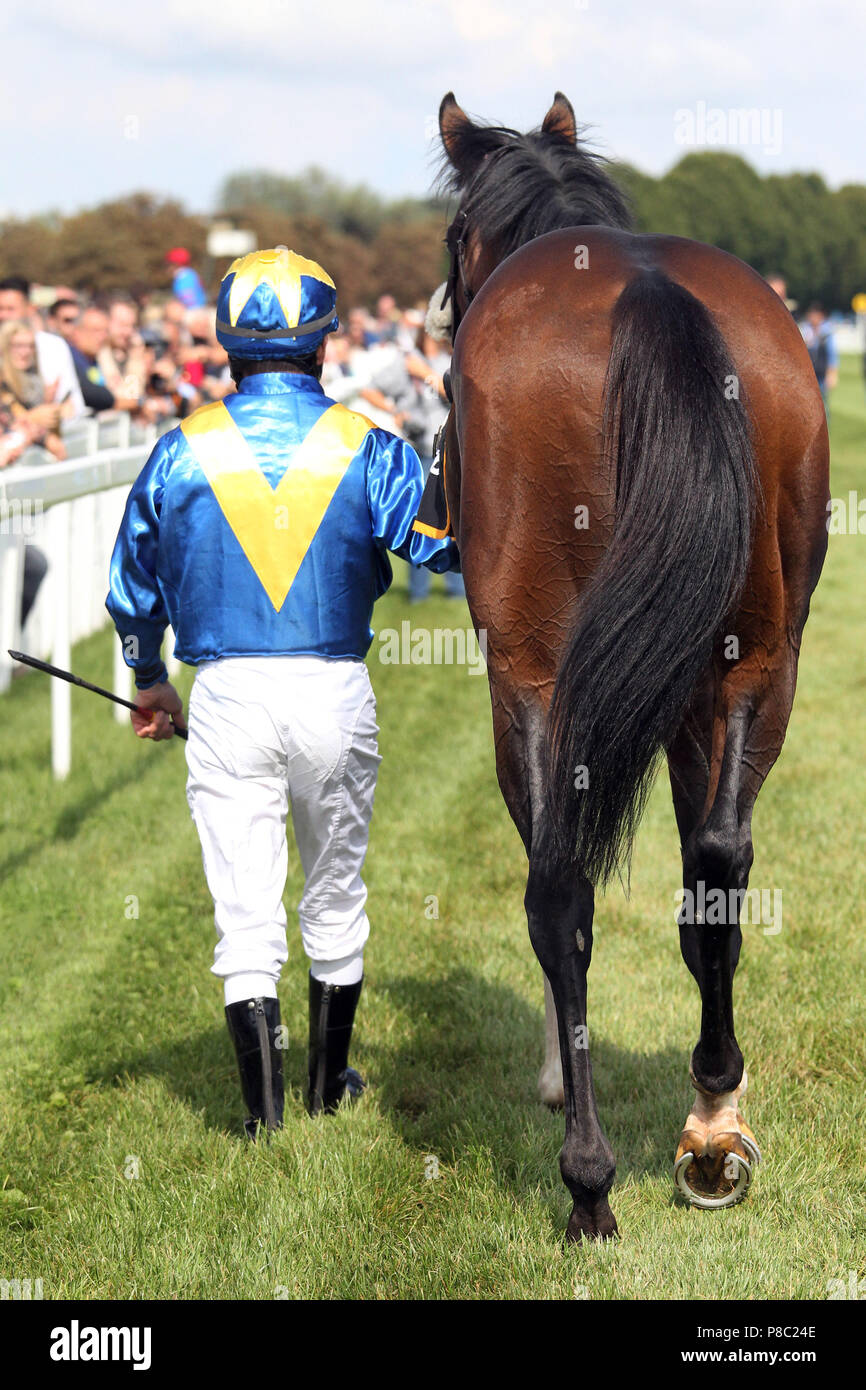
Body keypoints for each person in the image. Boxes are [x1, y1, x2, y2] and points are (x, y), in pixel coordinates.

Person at [106, 246, 458, 1138]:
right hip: (333, 693)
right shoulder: (368, 445)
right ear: (324, 342)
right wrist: (458, 444)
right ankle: (327, 1084)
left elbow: (132, 589)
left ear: (226, 342)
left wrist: (150, 683)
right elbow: (445, 547)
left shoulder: (178, 449)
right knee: (334, 893)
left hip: (223, 695)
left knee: (244, 909)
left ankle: (262, 1122)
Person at [0, 275, 85, 419]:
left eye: (10, 309)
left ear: (29, 308)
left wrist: (52, 412)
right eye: (0, 308)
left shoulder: (52, 346)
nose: (3, 315)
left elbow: (72, 404)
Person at [0, 320, 66, 460]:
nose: (25, 352)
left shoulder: (35, 381)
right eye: (18, 346)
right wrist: (31, 418)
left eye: (30, 346)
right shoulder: (2, 382)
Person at [801, 302, 838, 417]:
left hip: (821, 373)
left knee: (823, 403)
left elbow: (832, 355)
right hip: (808, 373)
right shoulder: (806, 329)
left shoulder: (826, 332)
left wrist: (832, 374)